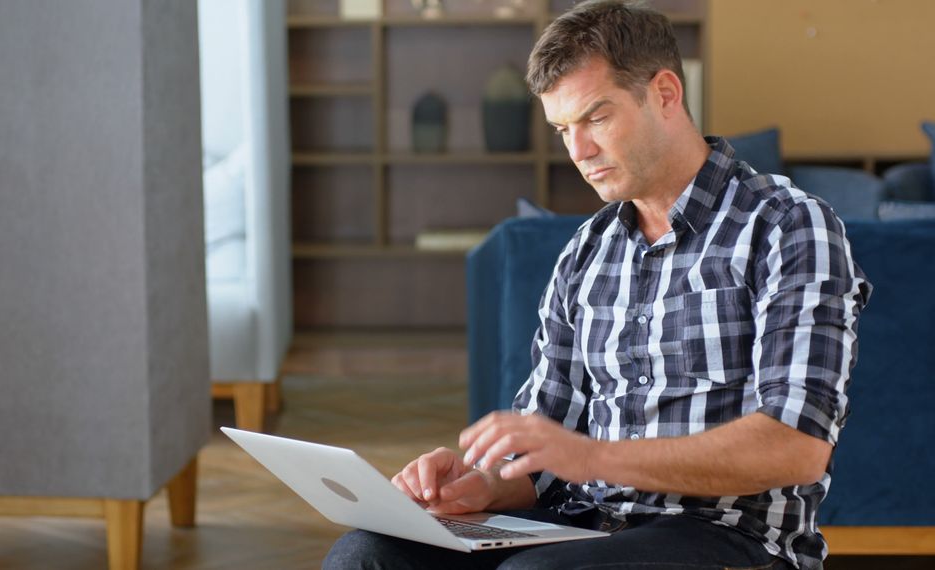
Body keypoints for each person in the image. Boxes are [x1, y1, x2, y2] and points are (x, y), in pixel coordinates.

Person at [323, 1, 871, 568]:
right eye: (563, 129)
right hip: (583, 522)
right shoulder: (588, 250)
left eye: (596, 118)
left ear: (664, 93)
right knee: (367, 554)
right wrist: (482, 483)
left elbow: (796, 446)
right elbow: (543, 450)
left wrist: (593, 458)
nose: (578, 152)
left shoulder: (786, 225)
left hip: (728, 536)